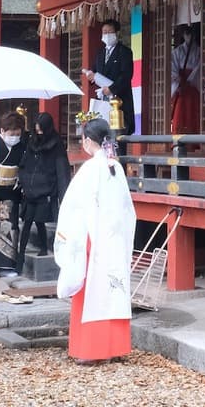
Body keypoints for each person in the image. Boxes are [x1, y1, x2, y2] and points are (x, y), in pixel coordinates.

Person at [55, 117, 137, 364]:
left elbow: (74, 207)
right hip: (115, 238)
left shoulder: (91, 169)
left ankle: (92, 350)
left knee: (92, 293)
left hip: (92, 238)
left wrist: (70, 236)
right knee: (114, 290)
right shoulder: (116, 168)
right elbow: (127, 208)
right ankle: (115, 347)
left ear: (88, 141)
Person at [16, 111, 70, 265]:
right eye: (36, 129)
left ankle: (44, 247)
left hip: (45, 190)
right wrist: (23, 181)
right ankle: (21, 253)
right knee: (27, 221)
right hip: (30, 189)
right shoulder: (32, 141)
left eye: (41, 129)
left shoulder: (56, 143)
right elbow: (25, 163)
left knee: (39, 221)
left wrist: (62, 195)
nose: (38, 132)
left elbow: (61, 169)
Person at [0, 111, 28, 278]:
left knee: (11, 228)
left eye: (18, 134)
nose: (15, 137)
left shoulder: (21, 146)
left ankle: (8, 265)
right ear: (2, 131)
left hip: (12, 192)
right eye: (12, 134)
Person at [82, 19, 134, 136]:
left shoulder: (124, 52)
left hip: (119, 100)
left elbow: (126, 75)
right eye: (104, 32)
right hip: (103, 98)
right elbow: (95, 71)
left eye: (109, 32)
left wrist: (112, 88)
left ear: (116, 33)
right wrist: (91, 76)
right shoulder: (100, 53)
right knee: (103, 134)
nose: (106, 35)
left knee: (117, 135)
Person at [169, 23, 202, 134]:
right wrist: (179, 81)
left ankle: (195, 142)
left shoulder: (200, 51)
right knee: (180, 113)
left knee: (195, 112)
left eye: (191, 33)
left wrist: (189, 81)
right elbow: (172, 69)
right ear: (184, 35)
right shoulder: (177, 52)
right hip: (180, 88)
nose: (189, 36)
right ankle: (178, 139)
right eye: (187, 33)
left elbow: (199, 68)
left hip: (193, 87)